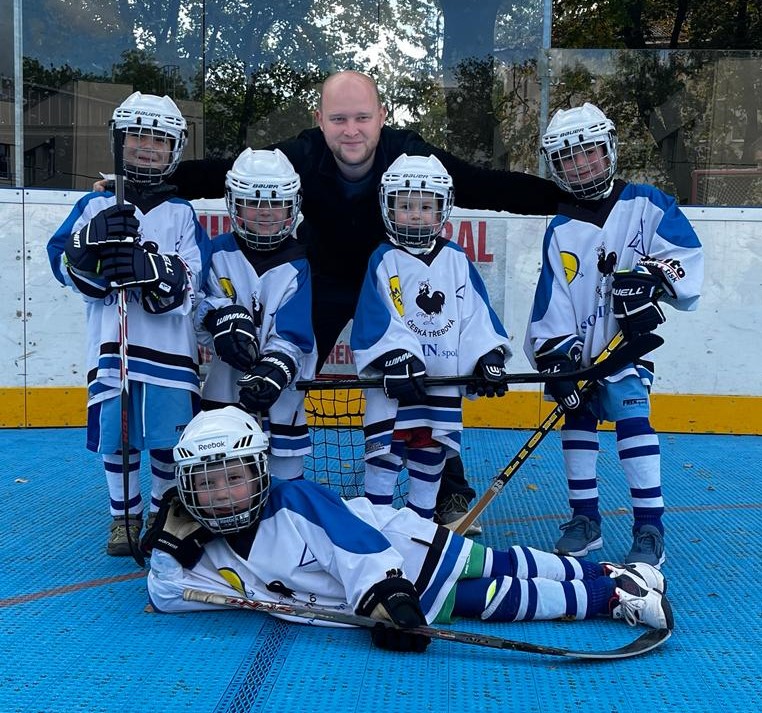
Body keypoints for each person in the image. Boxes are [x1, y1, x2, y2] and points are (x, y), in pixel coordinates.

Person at [154, 70, 580, 532]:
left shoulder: (411, 155)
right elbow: (223, 172)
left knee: (429, 376)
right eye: (338, 119)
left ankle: (449, 492)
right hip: (322, 276)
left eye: (362, 117)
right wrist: (146, 184)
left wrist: (571, 201)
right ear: (320, 120)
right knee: (283, 363)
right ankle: (229, 473)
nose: (351, 129)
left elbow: (484, 185)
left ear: (382, 118)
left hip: (393, 278)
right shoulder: (301, 153)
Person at [143, 407, 673, 653]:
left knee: (494, 564)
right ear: (185, 490)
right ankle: (606, 597)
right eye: (206, 484)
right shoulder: (199, 547)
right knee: (486, 598)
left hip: (398, 546)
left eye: (234, 478)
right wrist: (168, 548)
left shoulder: (293, 500)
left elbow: (356, 546)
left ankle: (606, 580)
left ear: (259, 472)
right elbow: (171, 596)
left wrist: (390, 600)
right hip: (366, 590)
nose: (222, 494)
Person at [524, 102, 704, 568]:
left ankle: (649, 527)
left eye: (589, 153)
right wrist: (556, 360)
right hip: (582, 354)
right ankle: (584, 521)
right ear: (556, 166)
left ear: (608, 150)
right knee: (577, 423)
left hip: (625, 351)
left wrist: (650, 281)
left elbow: (684, 256)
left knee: (633, 420)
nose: (581, 165)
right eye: (568, 158)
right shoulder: (560, 228)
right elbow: (552, 299)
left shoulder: (646, 204)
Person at [48, 92, 212, 555]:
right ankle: (124, 518)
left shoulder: (182, 212)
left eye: (158, 140)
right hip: (111, 348)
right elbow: (63, 263)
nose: (146, 146)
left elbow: (193, 280)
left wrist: (154, 268)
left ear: (174, 149)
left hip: (168, 351)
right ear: (119, 140)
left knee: (165, 440)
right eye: (137, 136)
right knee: (118, 442)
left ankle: (162, 513)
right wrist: (88, 253)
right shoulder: (93, 207)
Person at [350, 154, 511, 520]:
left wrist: (488, 355)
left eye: (426, 205)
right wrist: (396, 357)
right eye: (406, 205)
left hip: (440, 388)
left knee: (431, 450)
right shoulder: (383, 258)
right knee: (386, 454)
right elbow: (374, 315)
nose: (417, 214)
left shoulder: (455, 258)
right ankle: (376, 524)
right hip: (396, 387)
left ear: (443, 208)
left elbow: (475, 313)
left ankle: (419, 527)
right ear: (388, 206)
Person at [196, 147, 317, 480]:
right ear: (235, 203)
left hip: (281, 396)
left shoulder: (297, 264)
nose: (265, 213)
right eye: (254, 202)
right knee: (224, 478)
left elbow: (294, 332)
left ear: (292, 206)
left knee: (285, 484)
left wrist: (275, 368)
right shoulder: (217, 252)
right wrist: (219, 318)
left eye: (276, 203)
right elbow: (194, 305)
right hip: (224, 387)